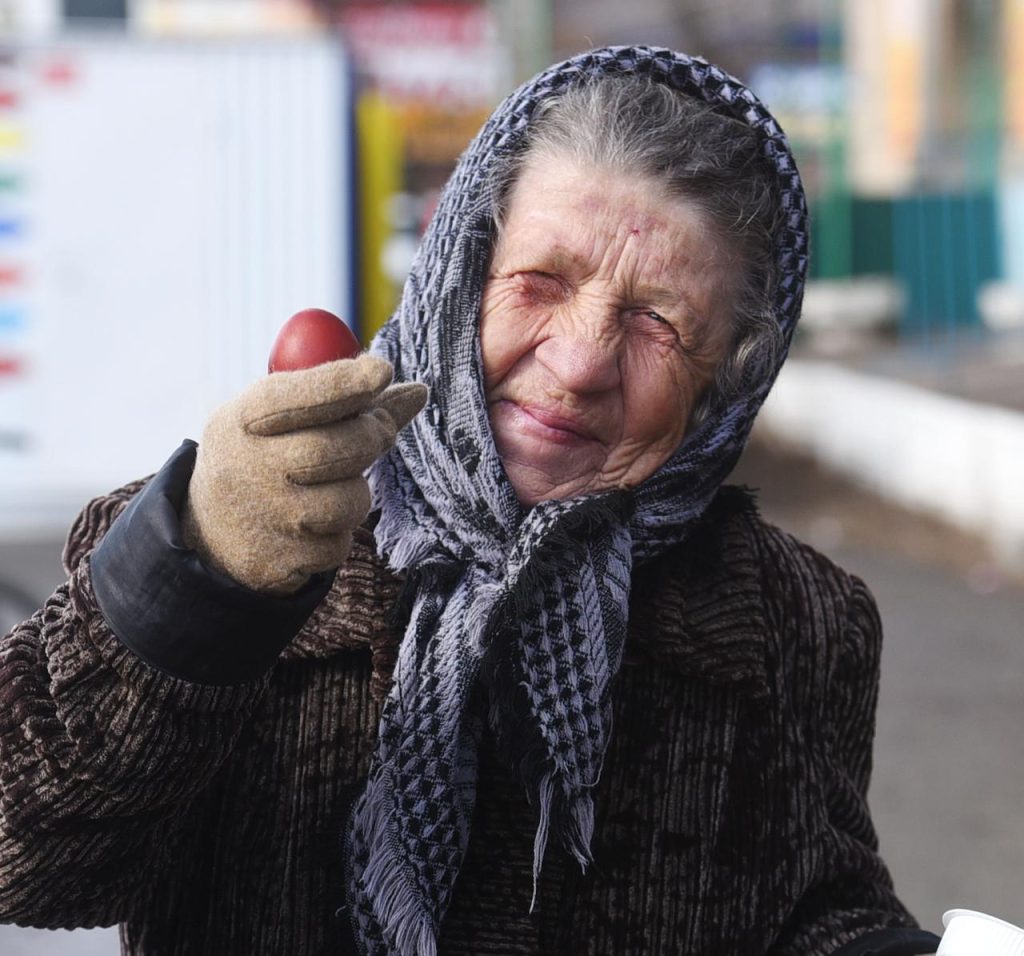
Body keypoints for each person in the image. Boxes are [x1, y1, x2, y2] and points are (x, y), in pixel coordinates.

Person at [0, 46, 943, 956]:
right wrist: (199, 577)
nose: (579, 364)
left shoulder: (793, 624)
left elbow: (813, 908)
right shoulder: (218, 532)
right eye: (540, 282)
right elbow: (29, 866)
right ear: (460, 275)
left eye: (658, 322)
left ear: (726, 383)